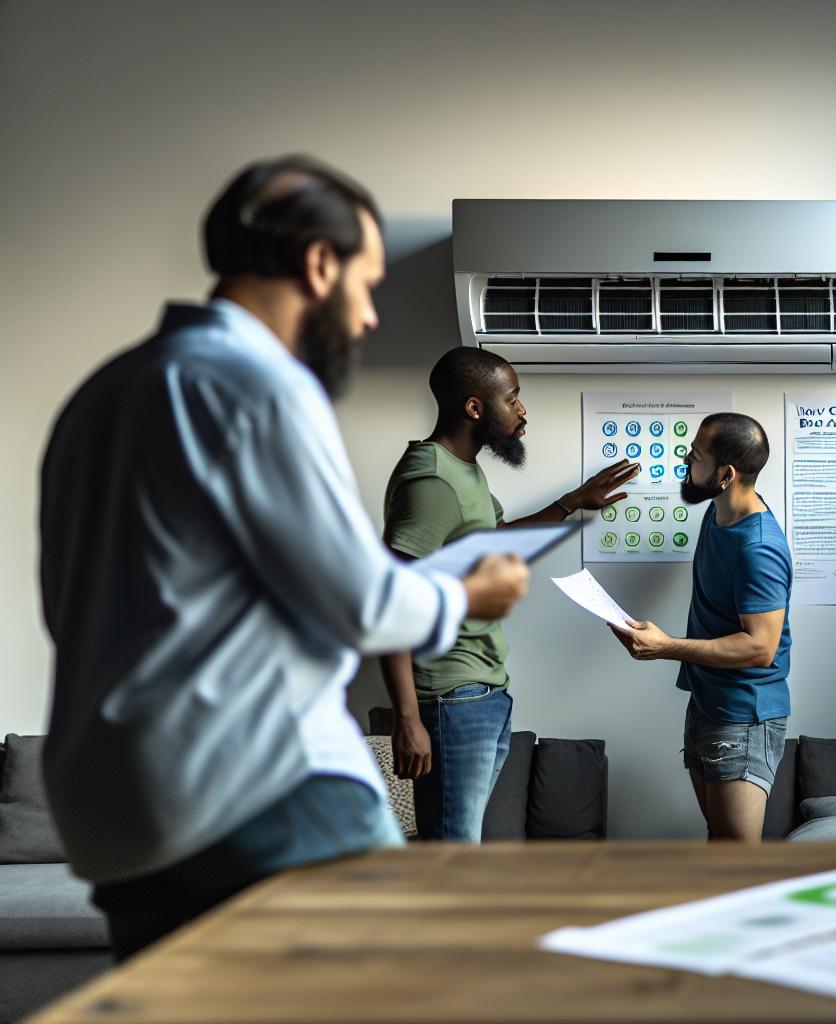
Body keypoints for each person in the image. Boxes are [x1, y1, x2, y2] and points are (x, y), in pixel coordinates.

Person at [37, 156, 530, 958]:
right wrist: (467, 597)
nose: (369, 316)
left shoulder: (103, 394)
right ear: (319, 264)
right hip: (255, 783)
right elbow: (363, 602)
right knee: (410, 986)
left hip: (113, 814)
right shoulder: (259, 384)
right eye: (366, 285)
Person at [379, 347, 640, 842]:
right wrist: (407, 719)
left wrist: (571, 502)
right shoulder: (431, 479)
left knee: (461, 847)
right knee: (454, 854)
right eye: (513, 398)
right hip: (450, 696)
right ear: (475, 408)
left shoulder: (465, 470)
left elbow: (498, 540)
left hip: (483, 692)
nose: (522, 410)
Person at [609, 413, 792, 842]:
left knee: (734, 861)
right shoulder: (719, 511)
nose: (686, 461)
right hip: (707, 704)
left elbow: (760, 648)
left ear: (726, 475)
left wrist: (666, 646)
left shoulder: (758, 548)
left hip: (744, 716)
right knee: (720, 845)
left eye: (695, 455)